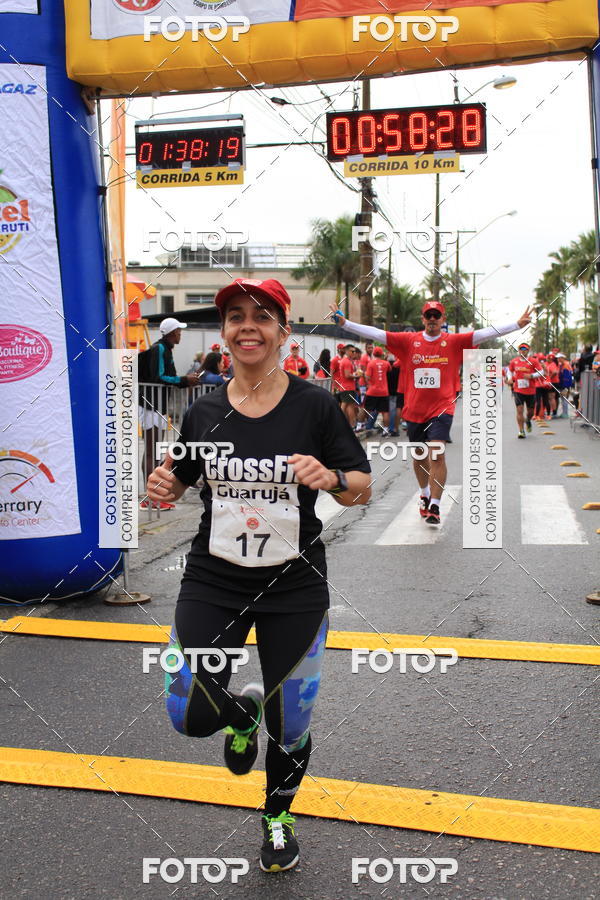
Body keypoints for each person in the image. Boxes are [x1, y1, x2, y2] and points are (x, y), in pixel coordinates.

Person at [146, 278, 371, 873]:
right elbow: (181, 477)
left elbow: (361, 487)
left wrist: (331, 478)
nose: (249, 326)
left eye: (263, 317)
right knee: (187, 714)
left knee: (290, 724)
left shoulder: (315, 405)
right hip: (213, 579)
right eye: (237, 316)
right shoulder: (205, 409)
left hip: (292, 585)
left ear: (283, 331)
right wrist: (164, 485)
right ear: (224, 333)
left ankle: (277, 816)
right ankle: (239, 716)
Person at [331, 300, 532, 525]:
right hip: (415, 410)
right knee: (420, 456)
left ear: (443, 320)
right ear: (423, 318)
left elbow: (485, 333)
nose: (433, 319)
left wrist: (516, 324)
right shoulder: (409, 341)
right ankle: (425, 493)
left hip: (442, 407)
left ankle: (435, 505)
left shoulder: (454, 341)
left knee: (436, 452)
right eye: (429, 315)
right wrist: (345, 323)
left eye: (437, 315)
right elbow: (378, 334)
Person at [139, 317, 200, 510]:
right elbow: (159, 377)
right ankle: (151, 498)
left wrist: (183, 380)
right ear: (172, 332)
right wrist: (184, 380)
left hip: (158, 404)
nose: (180, 334)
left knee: (153, 450)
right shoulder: (160, 349)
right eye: (178, 331)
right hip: (151, 404)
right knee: (151, 450)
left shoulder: (165, 349)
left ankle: (153, 496)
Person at [506, 342, 541, 438]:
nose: (523, 351)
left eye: (525, 349)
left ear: (528, 351)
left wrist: (531, 376)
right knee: (519, 410)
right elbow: (510, 370)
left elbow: (541, 372)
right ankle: (521, 431)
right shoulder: (514, 361)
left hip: (531, 390)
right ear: (519, 351)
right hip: (518, 390)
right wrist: (509, 378)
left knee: (530, 412)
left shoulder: (533, 361)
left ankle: (528, 420)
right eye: (521, 349)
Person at [364, 346, 391, 432]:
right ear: (382, 354)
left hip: (372, 391)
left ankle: (359, 425)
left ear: (374, 354)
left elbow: (367, 377)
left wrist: (364, 374)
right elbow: (389, 370)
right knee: (385, 412)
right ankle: (386, 430)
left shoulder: (371, 363)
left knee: (365, 408)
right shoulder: (386, 363)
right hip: (384, 392)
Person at [335, 344, 360, 429]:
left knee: (346, 406)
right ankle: (351, 425)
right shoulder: (347, 362)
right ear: (347, 351)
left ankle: (344, 424)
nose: (354, 353)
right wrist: (356, 376)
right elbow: (347, 375)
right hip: (348, 387)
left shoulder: (346, 360)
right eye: (352, 351)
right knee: (349, 406)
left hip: (346, 387)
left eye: (355, 351)